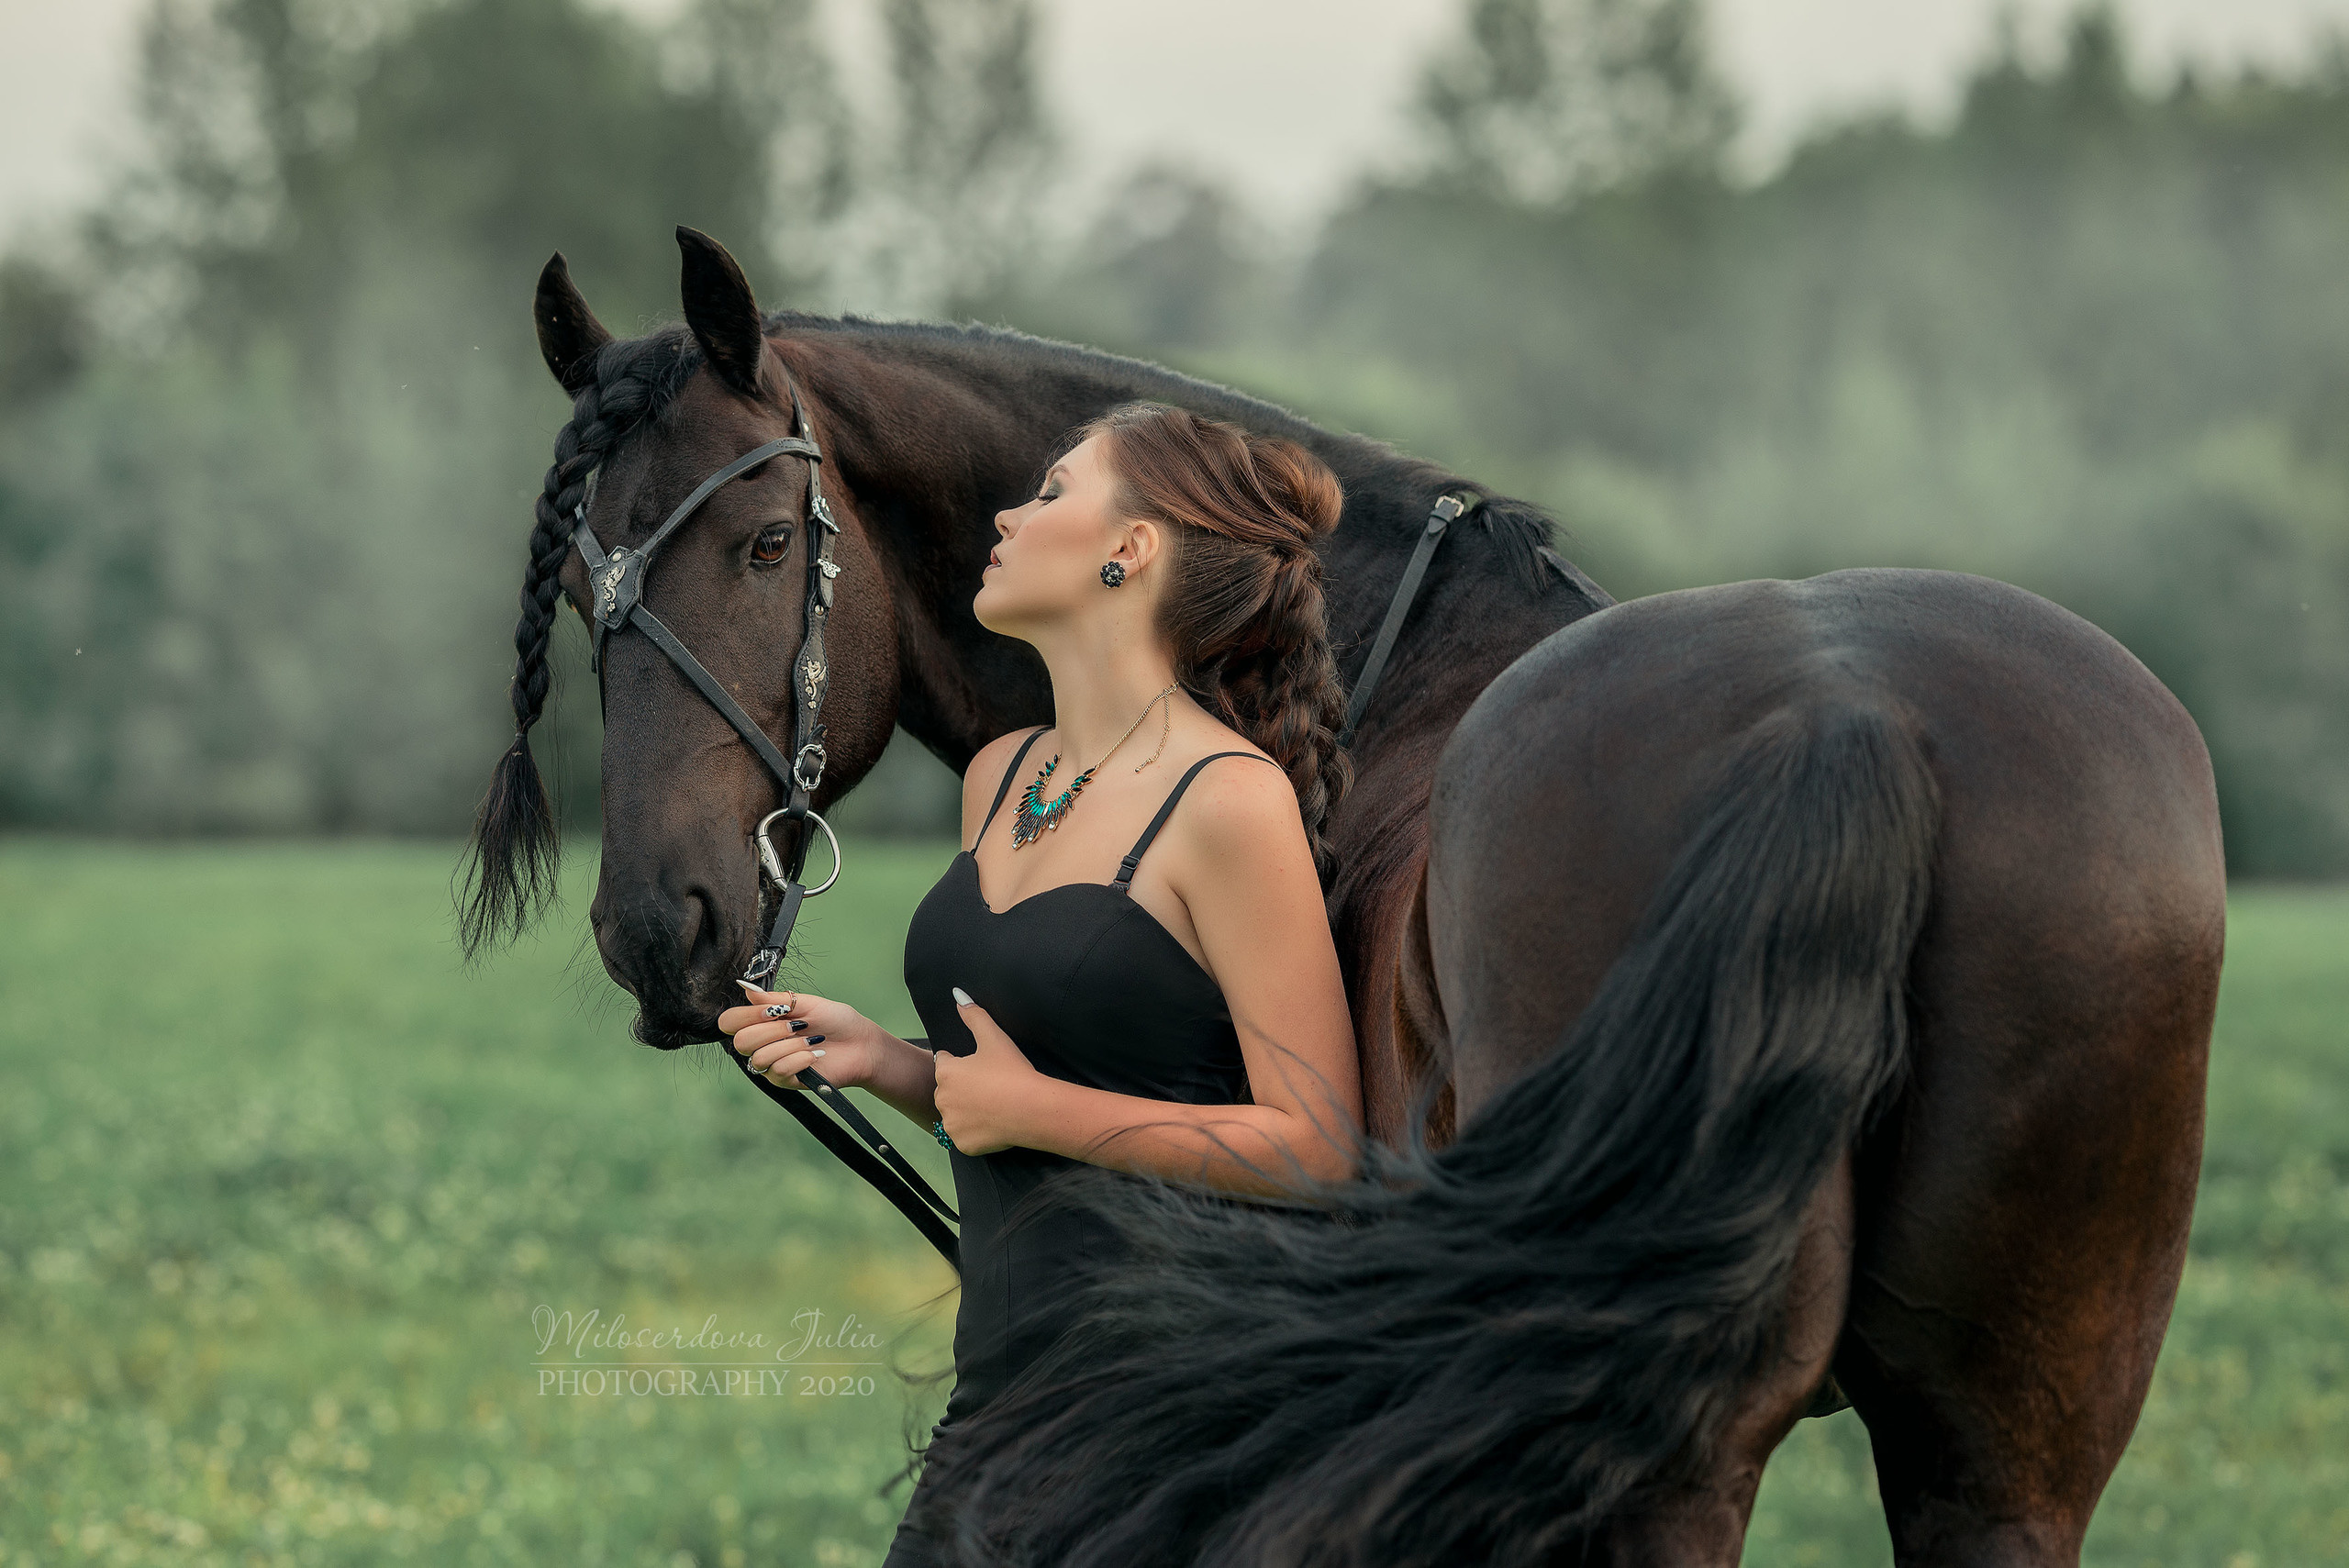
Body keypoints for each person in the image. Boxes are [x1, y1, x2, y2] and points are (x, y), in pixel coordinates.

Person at [714, 401, 1366, 1566]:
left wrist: (1034, 1110)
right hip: (1004, 1403)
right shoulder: (1003, 775)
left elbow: (1315, 1145)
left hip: (1176, 1425)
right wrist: (889, 1061)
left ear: (1133, 550)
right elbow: (1031, 1078)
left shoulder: (1227, 800)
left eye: (1055, 491)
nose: (1010, 514)